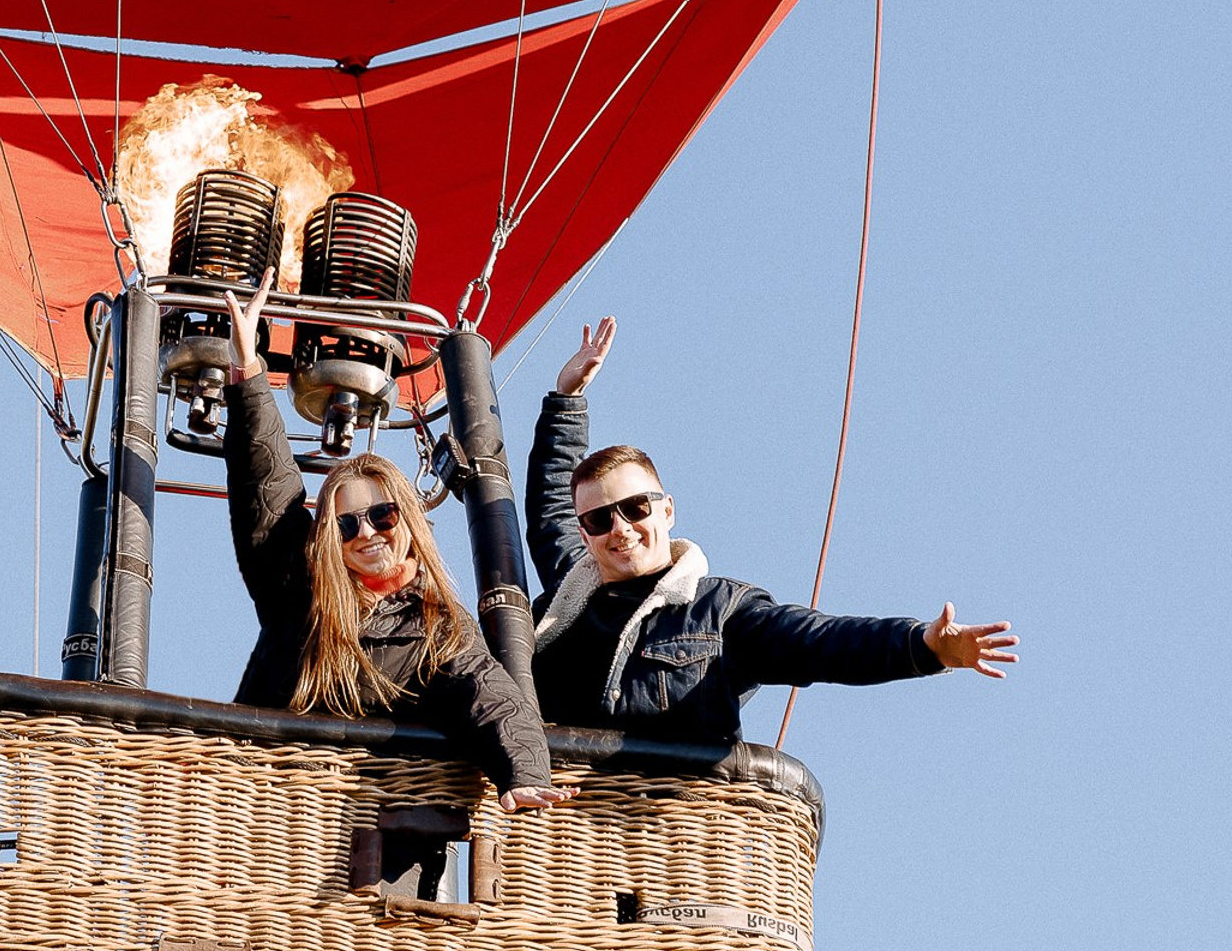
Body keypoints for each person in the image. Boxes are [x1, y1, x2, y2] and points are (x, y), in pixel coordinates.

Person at [525, 316, 1017, 737]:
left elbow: (821, 643)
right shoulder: (572, 592)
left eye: (635, 509)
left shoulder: (720, 612)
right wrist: (568, 399)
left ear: (667, 511)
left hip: (671, 829)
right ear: (585, 530)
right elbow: (550, 505)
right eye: (598, 518)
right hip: (559, 828)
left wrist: (923, 646)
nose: (620, 528)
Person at [223, 271, 556, 808]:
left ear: (409, 521)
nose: (366, 533)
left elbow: (490, 697)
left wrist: (524, 770)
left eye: (382, 515)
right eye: (346, 524)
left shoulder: (437, 626)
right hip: (264, 815)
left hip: (374, 830)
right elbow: (268, 490)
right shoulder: (299, 596)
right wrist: (248, 372)